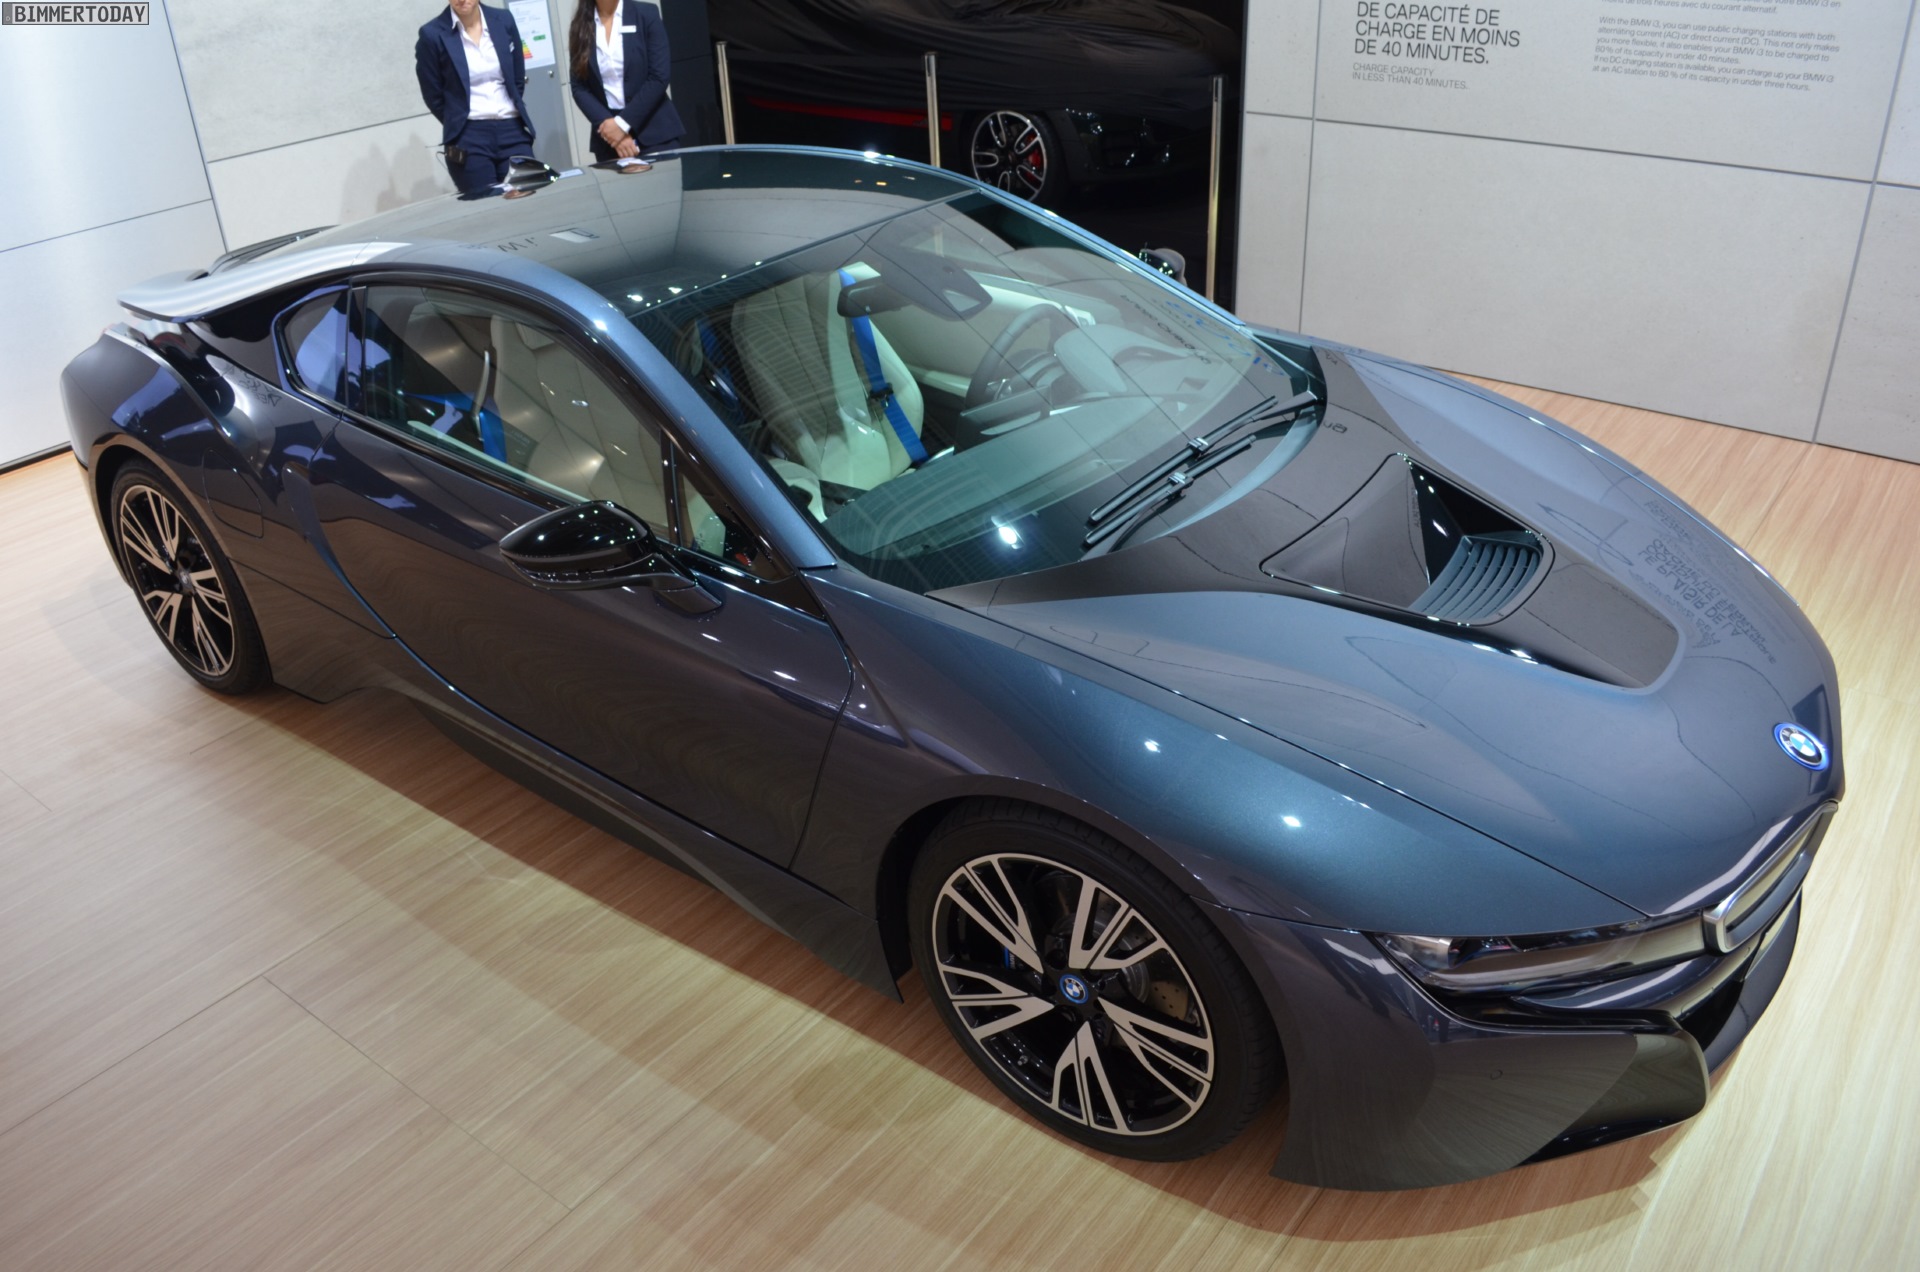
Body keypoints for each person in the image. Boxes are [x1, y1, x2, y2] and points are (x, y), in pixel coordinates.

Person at [416, 0, 537, 194]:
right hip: (469, 136)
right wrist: (459, 122)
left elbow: (517, 78)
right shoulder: (432, 34)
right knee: (484, 206)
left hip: (512, 130)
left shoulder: (503, 20)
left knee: (527, 199)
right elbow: (432, 94)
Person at [568, 0, 684, 162]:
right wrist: (609, 125)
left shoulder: (646, 14)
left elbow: (659, 76)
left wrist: (622, 124)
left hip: (654, 132)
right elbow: (579, 86)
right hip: (609, 141)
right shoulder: (580, 25)